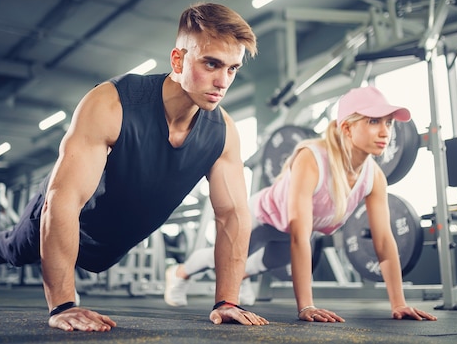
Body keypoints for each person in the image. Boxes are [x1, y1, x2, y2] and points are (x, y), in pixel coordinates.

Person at [0, 2, 269, 332]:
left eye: (232, 69)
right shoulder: (112, 103)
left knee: (97, 258)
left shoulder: (222, 132)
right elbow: (63, 201)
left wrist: (227, 301)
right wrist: (63, 305)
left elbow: (233, 215)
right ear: (178, 61)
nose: (223, 81)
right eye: (211, 64)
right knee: (18, 248)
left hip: (114, 239)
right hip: (67, 216)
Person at [165, 86, 438, 322]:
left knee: (258, 265)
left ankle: (242, 277)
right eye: (374, 121)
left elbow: (384, 243)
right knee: (224, 257)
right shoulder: (312, 157)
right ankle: (179, 273)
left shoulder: (374, 176)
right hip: (264, 215)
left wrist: (398, 303)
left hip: (289, 233)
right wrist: (306, 306)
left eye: (388, 123)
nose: (385, 132)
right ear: (347, 127)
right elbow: (300, 235)